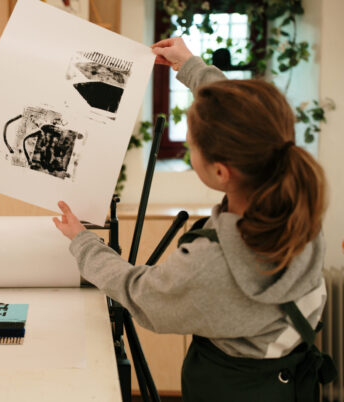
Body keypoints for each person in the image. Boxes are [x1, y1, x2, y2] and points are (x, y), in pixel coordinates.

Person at [53, 37, 335, 401]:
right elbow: (249, 121)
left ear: (220, 172)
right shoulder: (298, 209)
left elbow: (141, 294)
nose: (189, 148)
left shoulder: (209, 265)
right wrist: (190, 66)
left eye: (192, 145)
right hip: (292, 384)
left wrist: (83, 243)